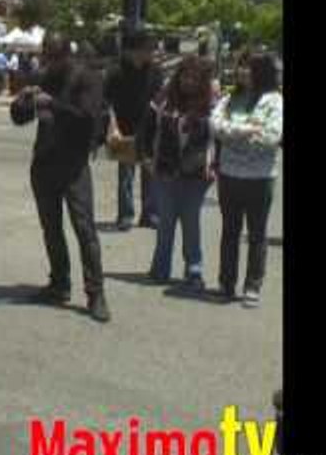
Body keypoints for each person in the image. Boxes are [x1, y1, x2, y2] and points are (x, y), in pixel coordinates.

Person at [10, 32, 110, 322]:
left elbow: (87, 117)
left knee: (84, 228)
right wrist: (23, 100)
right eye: (46, 55)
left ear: (68, 54)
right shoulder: (43, 77)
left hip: (73, 163)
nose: (49, 62)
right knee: (50, 228)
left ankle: (96, 293)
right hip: (44, 162)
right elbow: (19, 118)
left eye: (54, 56)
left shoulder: (86, 78)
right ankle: (59, 282)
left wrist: (52, 103)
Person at [210, 52, 284, 308]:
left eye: (247, 67)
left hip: (260, 178)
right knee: (230, 232)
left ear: (260, 72)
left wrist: (233, 133)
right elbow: (215, 126)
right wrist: (247, 129)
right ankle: (226, 283)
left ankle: (253, 285)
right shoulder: (230, 97)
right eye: (240, 67)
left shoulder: (274, 100)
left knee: (256, 234)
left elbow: (271, 136)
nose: (241, 72)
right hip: (229, 176)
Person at [137, 56, 216, 291]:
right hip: (164, 173)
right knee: (165, 225)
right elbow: (145, 131)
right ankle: (160, 269)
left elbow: (218, 140)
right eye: (184, 76)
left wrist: (214, 167)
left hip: (196, 177)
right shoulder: (162, 101)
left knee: (192, 225)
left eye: (194, 77)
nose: (188, 81)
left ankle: (194, 270)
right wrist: (147, 160)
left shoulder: (211, 105)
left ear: (202, 81)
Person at [104, 29, 165, 231]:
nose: (151, 52)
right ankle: (126, 215)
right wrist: (112, 128)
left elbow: (160, 99)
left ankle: (150, 214)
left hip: (150, 130)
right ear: (133, 51)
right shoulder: (115, 72)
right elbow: (107, 103)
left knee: (151, 174)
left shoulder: (155, 71)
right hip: (124, 129)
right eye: (148, 48)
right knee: (126, 177)